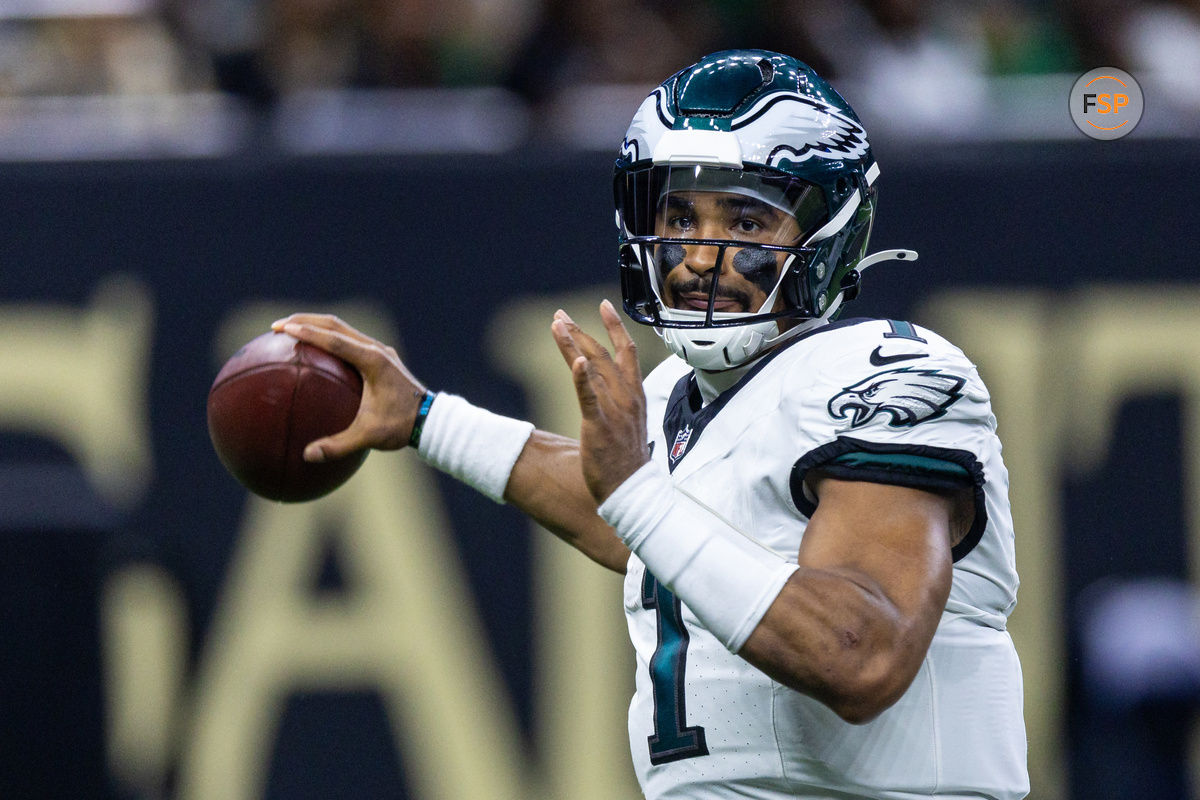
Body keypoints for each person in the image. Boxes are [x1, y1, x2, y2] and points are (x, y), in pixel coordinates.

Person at [273, 49, 1029, 800]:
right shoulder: (681, 393)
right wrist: (426, 420)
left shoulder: (887, 372)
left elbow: (860, 657)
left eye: (744, 217)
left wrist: (635, 494)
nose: (700, 255)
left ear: (830, 227)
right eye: (678, 216)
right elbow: (651, 526)